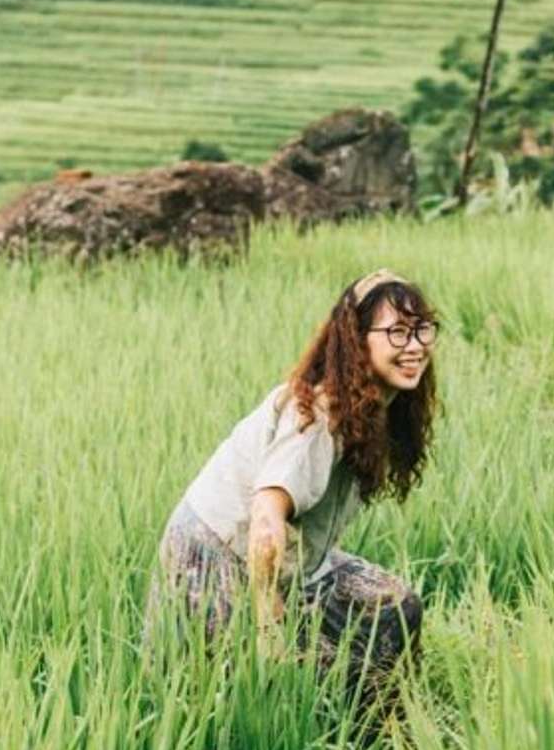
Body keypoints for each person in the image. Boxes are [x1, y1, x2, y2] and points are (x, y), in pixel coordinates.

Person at [151, 269, 438, 705]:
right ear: (357, 340)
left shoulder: (378, 407)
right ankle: (315, 745)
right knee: (249, 693)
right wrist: (269, 628)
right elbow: (266, 516)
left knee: (394, 608)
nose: (414, 345)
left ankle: (386, 736)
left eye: (421, 329)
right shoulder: (319, 418)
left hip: (295, 557)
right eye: (396, 332)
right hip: (218, 550)